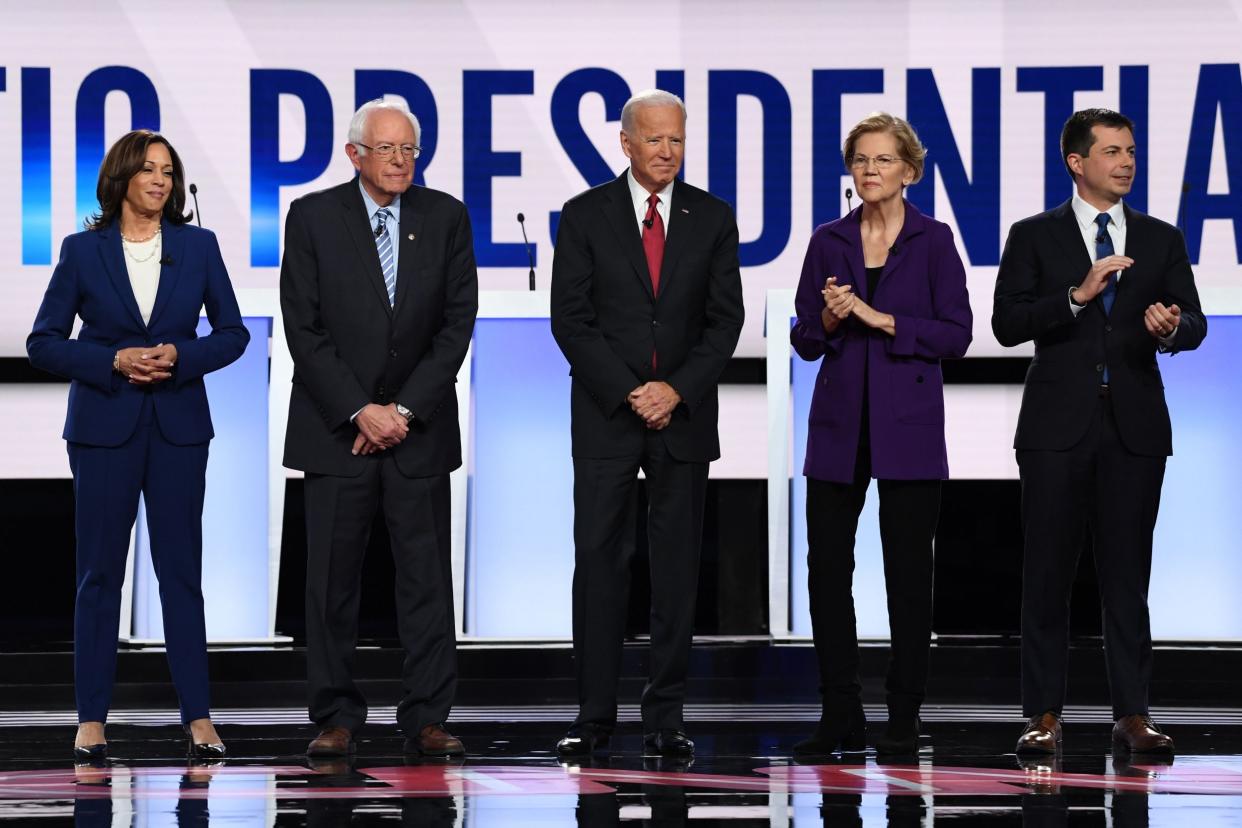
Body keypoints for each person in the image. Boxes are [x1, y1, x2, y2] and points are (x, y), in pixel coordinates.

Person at [27, 129, 249, 761]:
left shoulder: (198, 247)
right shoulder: (82, 251)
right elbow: (43, 342)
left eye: (169, 172)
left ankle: (198, 716)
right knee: (99, 575)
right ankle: (91, 718)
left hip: (179, 428)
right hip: (104, 427)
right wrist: (112, 360)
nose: (161, 181)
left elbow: (231, 334)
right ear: (122, 177)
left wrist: (182, 356)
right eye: (149, 170)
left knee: (181, 574)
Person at [993, 108, 1206, 757]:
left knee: (1127, 576)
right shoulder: (1034, 236)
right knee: (1047, 576)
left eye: (1131, 151)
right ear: (1076, 162)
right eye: (1112, 151)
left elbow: (1194, 322)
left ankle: (1133, 714)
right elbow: (1006, 323)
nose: (1126, 162)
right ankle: (1042, 715)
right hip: (1057, 428)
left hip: (1133, 427)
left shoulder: (1162, 239)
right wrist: (1077, 296)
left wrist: (1172, 328)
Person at [280, 98, 477, 758]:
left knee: (426, 582)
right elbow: (303, 328)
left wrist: (403, 412)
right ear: (354, 154)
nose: (400, 161)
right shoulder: (312, 218)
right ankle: (335, 715)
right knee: (331, 582)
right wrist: (361, 410)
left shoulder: (445, 217)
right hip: (338, 432)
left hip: (417, 433)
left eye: (410, 151)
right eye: (387, 150)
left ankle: (426, 714)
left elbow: (456, 325)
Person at [550, 89, 744, 758]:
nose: (668, 151)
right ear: (626, 143)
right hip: (608, 415)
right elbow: (570, 319)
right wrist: (632, 390)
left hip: (682, 417)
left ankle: (666, 718)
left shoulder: (713, 217)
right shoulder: (583, 216)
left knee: (676, 571)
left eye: (678, 140)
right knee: (599, 565)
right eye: (655, 139)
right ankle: (593, 717)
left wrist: (676, 389)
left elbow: (725, 322)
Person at [790, 112, 972, 756]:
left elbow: (956, 335)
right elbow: (804, 337)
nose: (870, 170)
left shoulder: (934, 240)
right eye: (861, 160)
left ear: (910, 171)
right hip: (839, 426)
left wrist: (880, 317)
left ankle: (902, 716)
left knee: (906, 576)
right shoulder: (828, 240)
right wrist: (833, 322)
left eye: (883, 160)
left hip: (909, 428)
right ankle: (840, 711)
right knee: (826, 572)